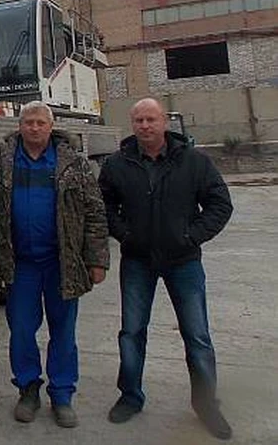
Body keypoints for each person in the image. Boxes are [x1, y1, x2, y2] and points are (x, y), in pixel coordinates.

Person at [99, 98, 234, 440]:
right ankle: (130, 397)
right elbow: (104, 205)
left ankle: (206, 405)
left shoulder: (193, 161)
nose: (145, 126)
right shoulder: (118, 163)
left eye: (151, 119)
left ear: (164, 122)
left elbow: (220, 203)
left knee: (197, 336)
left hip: (183, 262)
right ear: (132, 124)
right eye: (139, 120)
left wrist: (192, 236)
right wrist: (124, 233)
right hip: (137, 261)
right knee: (131, 332)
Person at [0, 101, 109, 428]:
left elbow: (94, 213)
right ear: (19, 126)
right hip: (20, 265)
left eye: (40, 123)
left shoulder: (73, 163)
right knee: (21, 330)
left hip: (61, 262)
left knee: (63, 331)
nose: (34, 128)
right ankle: (28, 389)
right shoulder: (2, 160)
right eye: (28, 122)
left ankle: (62, 394)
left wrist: (97, 260)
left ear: (51, 126)